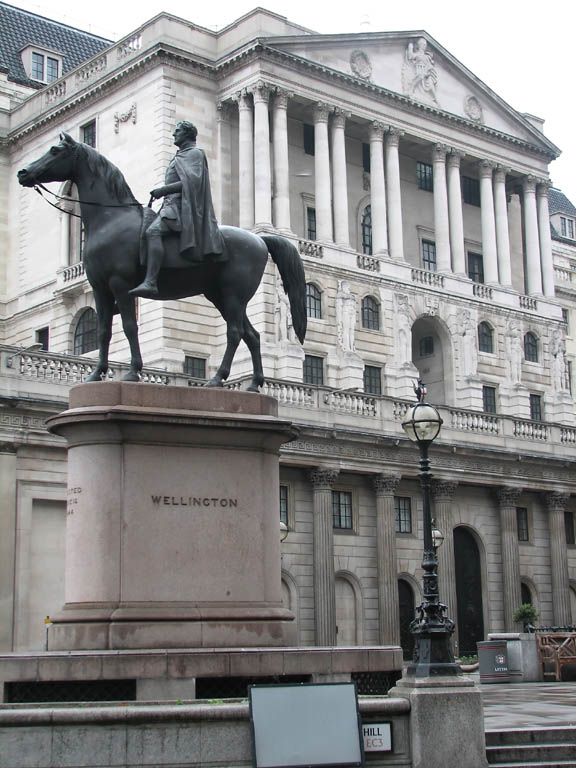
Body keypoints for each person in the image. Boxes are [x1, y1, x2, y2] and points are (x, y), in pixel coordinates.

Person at [129, 121, 223, 298]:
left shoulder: (194, 154)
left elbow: (193, 182)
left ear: (187, 134)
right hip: (169, 206)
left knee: (153, 232)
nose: (174, 134)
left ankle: (150, 281)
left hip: (180, 209)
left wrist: (163, 190)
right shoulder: (181, 156)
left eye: (177, 131)